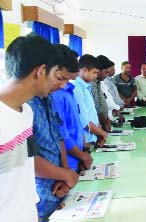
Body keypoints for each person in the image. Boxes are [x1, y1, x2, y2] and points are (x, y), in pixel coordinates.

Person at [0, 34, 61, 222]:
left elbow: (27, 166)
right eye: (55, 75)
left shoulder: (26, 112)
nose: (56, 83)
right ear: (41, 71)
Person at [27, 44, 80, 220]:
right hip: (38, 194)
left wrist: (66, 177)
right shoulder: (25, 105)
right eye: (59, 78)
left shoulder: (47, 98)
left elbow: (58, 137)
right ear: (43, 71)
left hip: (58, 188)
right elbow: (29, 161)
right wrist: (67, 175)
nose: (62, 85)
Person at [51, 45, 93, 173]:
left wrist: (84, 150)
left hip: (78, 159)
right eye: (61, 78)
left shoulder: (70, 89)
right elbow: (63, 135)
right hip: (69, 163)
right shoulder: (56, 94)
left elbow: (77, 124)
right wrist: (82, 156)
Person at [73, 54, 108, 147]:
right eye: (94, 72)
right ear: (85, 70)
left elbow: (92, 113)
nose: (96, 76)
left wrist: (99, 130)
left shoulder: (86, 87)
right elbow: (84, 122)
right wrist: (102, 133)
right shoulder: (77, 89)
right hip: (86, 141)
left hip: (93, 137)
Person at [91, 55, 112, 132]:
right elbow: (97, 107)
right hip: (98, 126)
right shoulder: (92, 84)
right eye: (105, 72)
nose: (106, 75)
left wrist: (107, 118)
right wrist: (104, 123)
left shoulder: (98, 82)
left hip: (102, 123)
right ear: (98, 69)